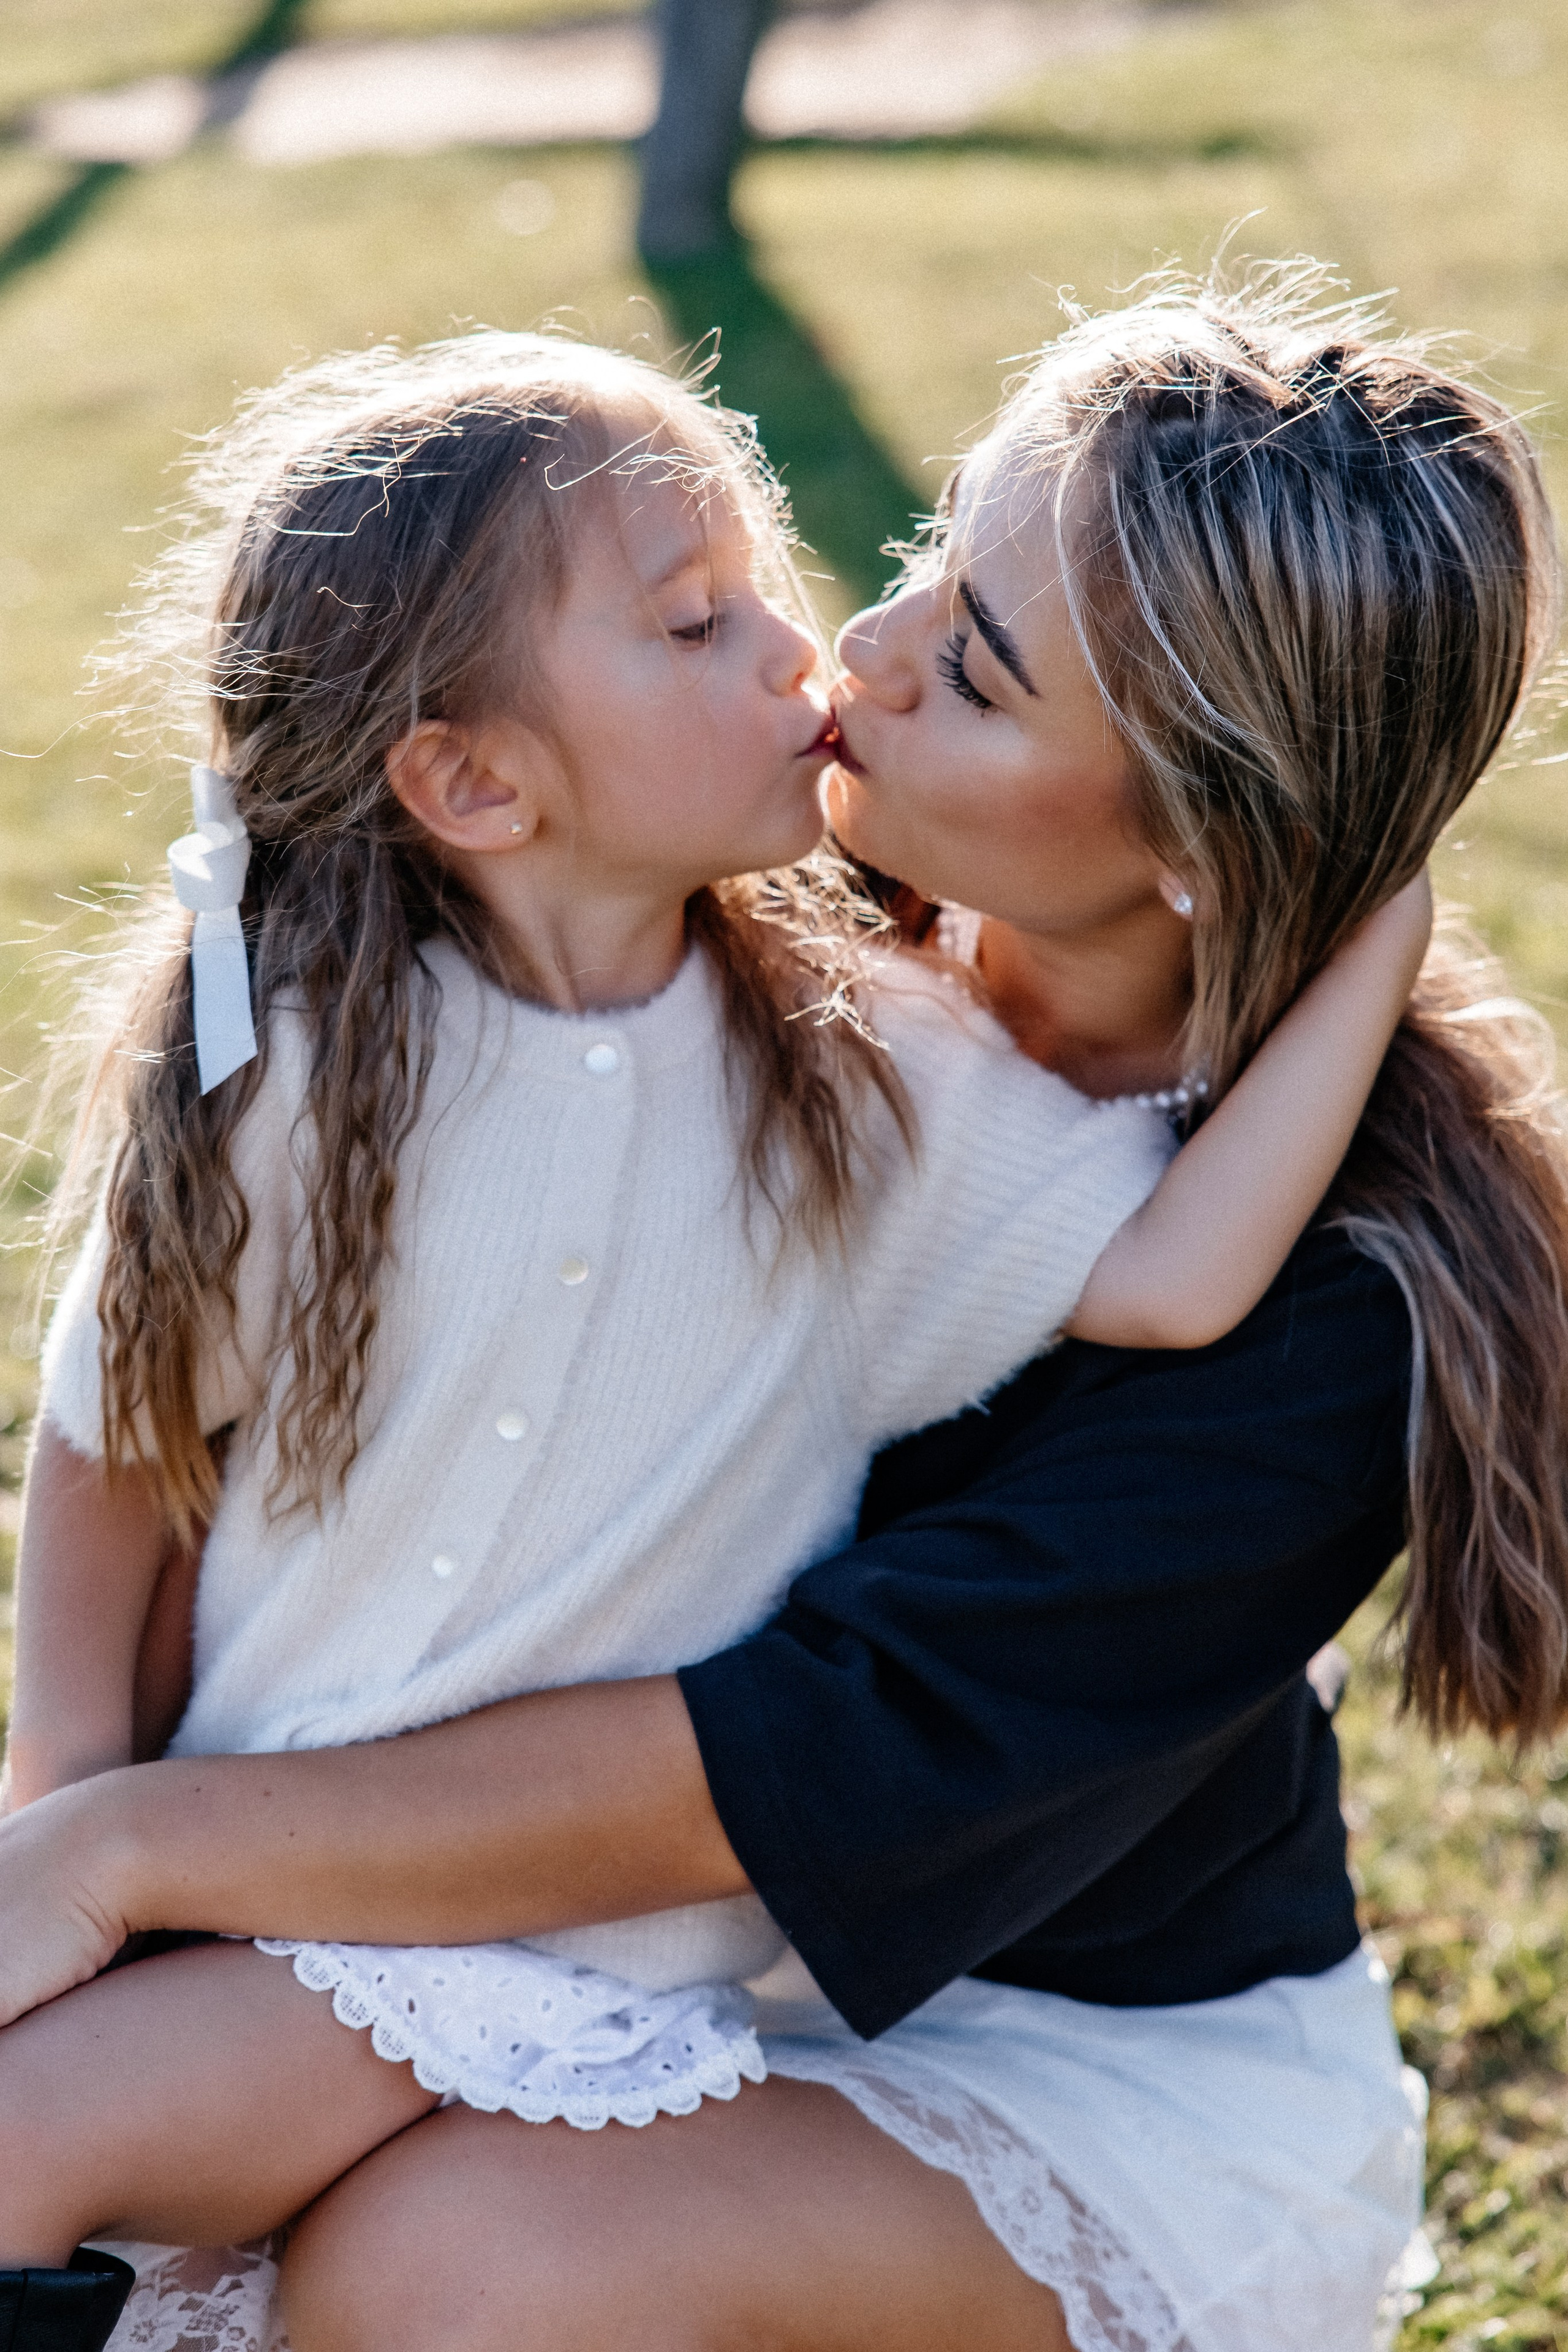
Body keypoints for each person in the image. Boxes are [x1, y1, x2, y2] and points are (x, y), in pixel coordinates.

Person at [0, 269, 1562, 2352]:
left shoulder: (1331, 1305)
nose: (868, 653)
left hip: (1019, 2052)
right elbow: (223, 1397)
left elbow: (765, 1773)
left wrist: (126, 1851)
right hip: (527, 1936)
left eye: (983, 673)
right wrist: (87, 1794)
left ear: (1202, 839)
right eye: (927, 555)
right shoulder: (722, 937)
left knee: (447, 2270)